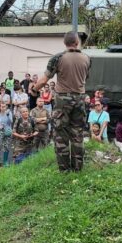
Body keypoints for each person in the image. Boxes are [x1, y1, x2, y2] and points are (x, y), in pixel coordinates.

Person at [32, 31, 90, 172]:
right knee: (78, 134)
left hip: (62, 100)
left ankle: (64, 170)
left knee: (61, 135)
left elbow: (45, 79)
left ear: (65, 43)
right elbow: (85, 78)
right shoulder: (87, 58)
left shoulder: (58, 58)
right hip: (80, 98)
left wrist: (34, 89)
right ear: (77, 42)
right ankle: (77, 168)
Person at [0, 102, 13, 169]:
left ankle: (5, 162)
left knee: (6, 146)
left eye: (4, 106)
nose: (3, 108)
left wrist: (7, 115)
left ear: (6, 107)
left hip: (7, 132)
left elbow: (11, 122)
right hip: (0, 132)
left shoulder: (9, 113)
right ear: (0, 107)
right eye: (2, 106)